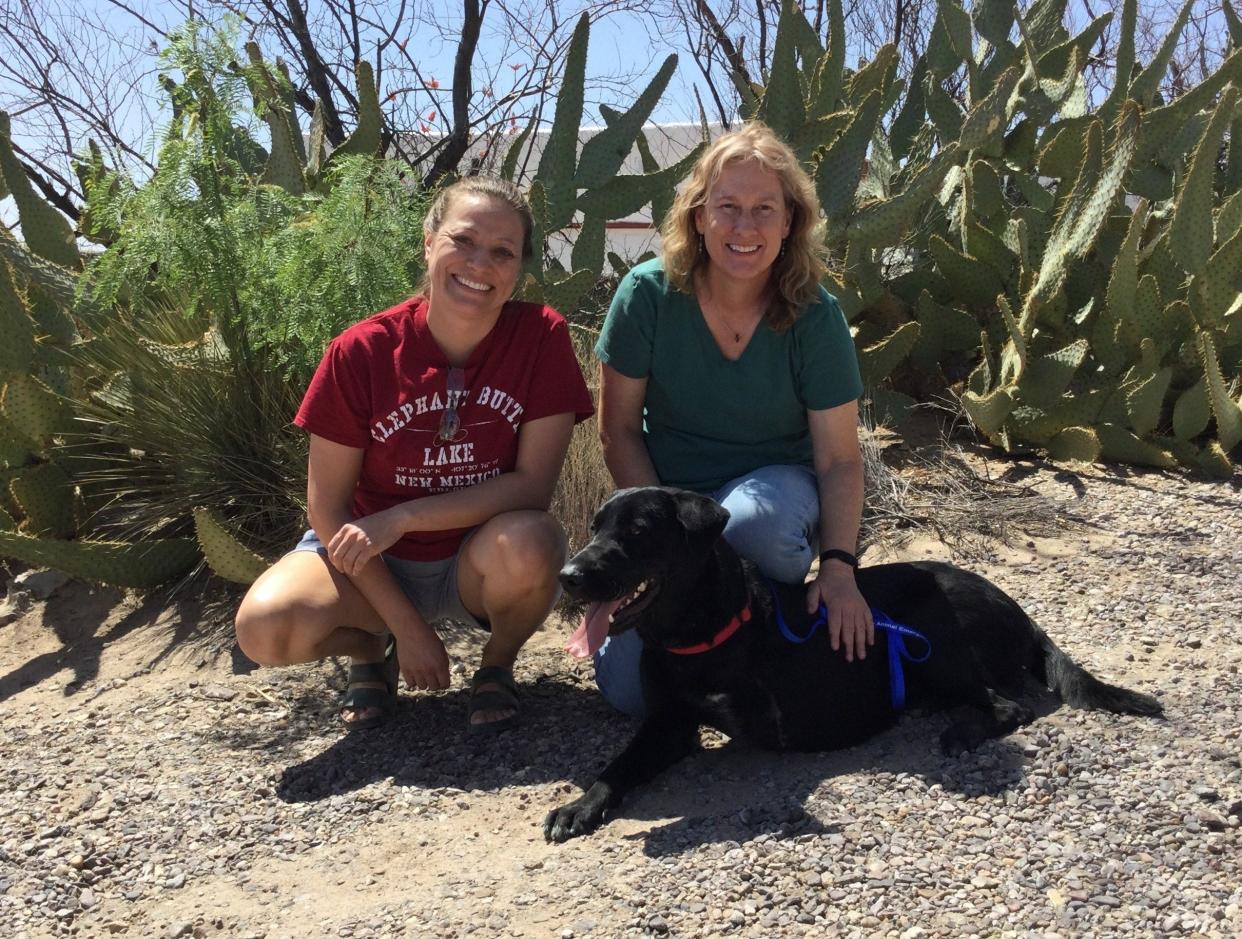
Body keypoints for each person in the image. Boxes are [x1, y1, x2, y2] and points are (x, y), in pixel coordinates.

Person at [235, 177, 594, 733]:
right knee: (266, 629)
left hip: (474, 555)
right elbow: (328, 512)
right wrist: (407, 628)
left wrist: (404, 517)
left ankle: (496, 665)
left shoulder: (540, 337)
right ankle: (370, 648)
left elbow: (532, 487)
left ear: (518, 269)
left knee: (533, 541)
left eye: (502, 253)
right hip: (368, 559)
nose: (480, 264)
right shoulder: (362, 351)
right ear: (429, 242)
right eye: (463, 241)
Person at [585, 121, 871, 719]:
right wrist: (658, 545)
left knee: (751, 526)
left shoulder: (815, 315)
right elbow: (617, 433)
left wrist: (840, 570)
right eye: (728, 207)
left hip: (775, 493)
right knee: (629, 692)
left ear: (790, 221)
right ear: (698, 216)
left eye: (765, 208)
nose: (745, 227)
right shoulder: (648, 296)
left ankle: (766, 641)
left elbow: (839, 459)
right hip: (671, 502)